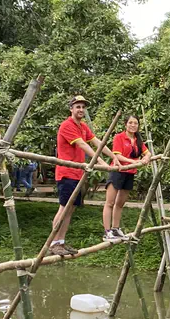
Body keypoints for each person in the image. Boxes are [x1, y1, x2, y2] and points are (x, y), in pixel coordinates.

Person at [50, 95, 124, 256]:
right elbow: (83, 145)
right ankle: (54, 242)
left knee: (70, 209)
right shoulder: (67, 125)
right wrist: (103, 164)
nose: (81, 110)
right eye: (78, 107)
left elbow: (96, 142)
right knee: (64, 208)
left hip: (78, 174)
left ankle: (61, 242)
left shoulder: (82, 126)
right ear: (71, 109)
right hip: (66, 173)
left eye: (83, 107)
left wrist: (114, 157)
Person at [102, 115, 151, 240]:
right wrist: (133, 161)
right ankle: (107, 231)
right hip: (117, 171)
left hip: (130, 173)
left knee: (120, 203)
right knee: (110, 202)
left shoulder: (138, 140)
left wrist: (145, 158)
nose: (133, 125)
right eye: (130, 123)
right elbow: (117, 156)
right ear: (126, 124)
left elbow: (148, 153)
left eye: (135, 123)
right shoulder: (119, 137)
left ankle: (116, 228)